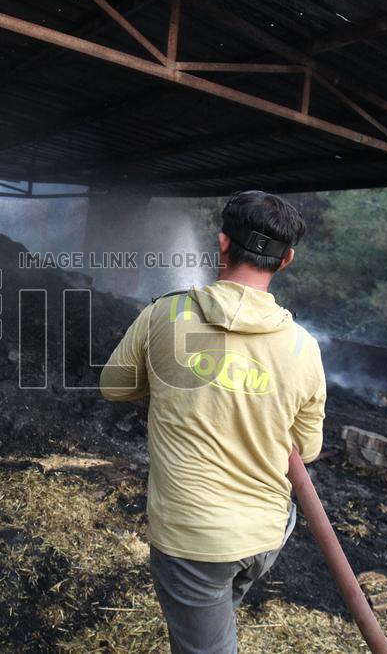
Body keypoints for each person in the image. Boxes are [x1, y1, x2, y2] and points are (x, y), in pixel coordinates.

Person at [99, 191, 326, 654]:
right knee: (213, 611)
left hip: (194, 539)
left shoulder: (165, 314)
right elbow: (307, 448)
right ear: (287, 261)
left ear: (221, 243)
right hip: (266, 535)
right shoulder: (304, 348)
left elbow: (114, 387)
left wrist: (169, 384)